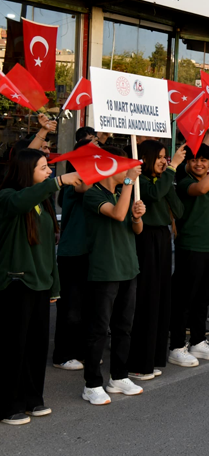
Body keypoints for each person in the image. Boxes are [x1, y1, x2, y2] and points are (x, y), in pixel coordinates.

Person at [0, 149, 82, 425]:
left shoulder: (42, 201)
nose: (49, 172)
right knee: (14, 347)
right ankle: (9, 404)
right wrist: (58, 182)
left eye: (49, 168)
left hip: (41, 284)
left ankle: (33, 399)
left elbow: (48, 249)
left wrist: (54, 285)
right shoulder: (8, 196)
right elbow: (20, 202)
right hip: (16, 283)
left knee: (36, 347)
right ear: (26, 170)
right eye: (43, 168)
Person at [82, 146, 147, 405]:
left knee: (124, 327)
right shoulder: (93, 193)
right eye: (125, 167)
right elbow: (117, 213)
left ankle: (118, 376)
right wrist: (131, 180)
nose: (129, 172)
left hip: (128, 267)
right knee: (99, 330)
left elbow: (136, 229)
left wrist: (137, 216)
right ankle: (92, 383)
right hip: (105, 270)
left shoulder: (123, 191)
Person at [170, 144, 209, 364]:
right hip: (190, 248)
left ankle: (198, 342)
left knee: (203, 300)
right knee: (184, 300)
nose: (199, 163)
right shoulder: (186, 182)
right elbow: (199, 189)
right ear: (187, 163)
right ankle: (177, 346)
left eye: (204, 160)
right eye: (194, 159)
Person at [127, 141, 185, 379]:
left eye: (166, 157)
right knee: (147, 298)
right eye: (160, 157)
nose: (164, 161)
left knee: (162, 297)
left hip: (163, 237)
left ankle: (156, 356)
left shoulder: (163, 181)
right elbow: (151, 195)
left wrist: (168, 180)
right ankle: (139, 361)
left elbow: (179, 211)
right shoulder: (139, 182)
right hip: (145, 238)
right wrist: (171, 171)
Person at [52, 140, 95, 372]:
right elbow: (84, 186)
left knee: (87, 307)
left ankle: (81, 351)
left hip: (91, 253)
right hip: (73, 253)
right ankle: (63, 354)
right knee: (70, 308)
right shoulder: (75, 180)